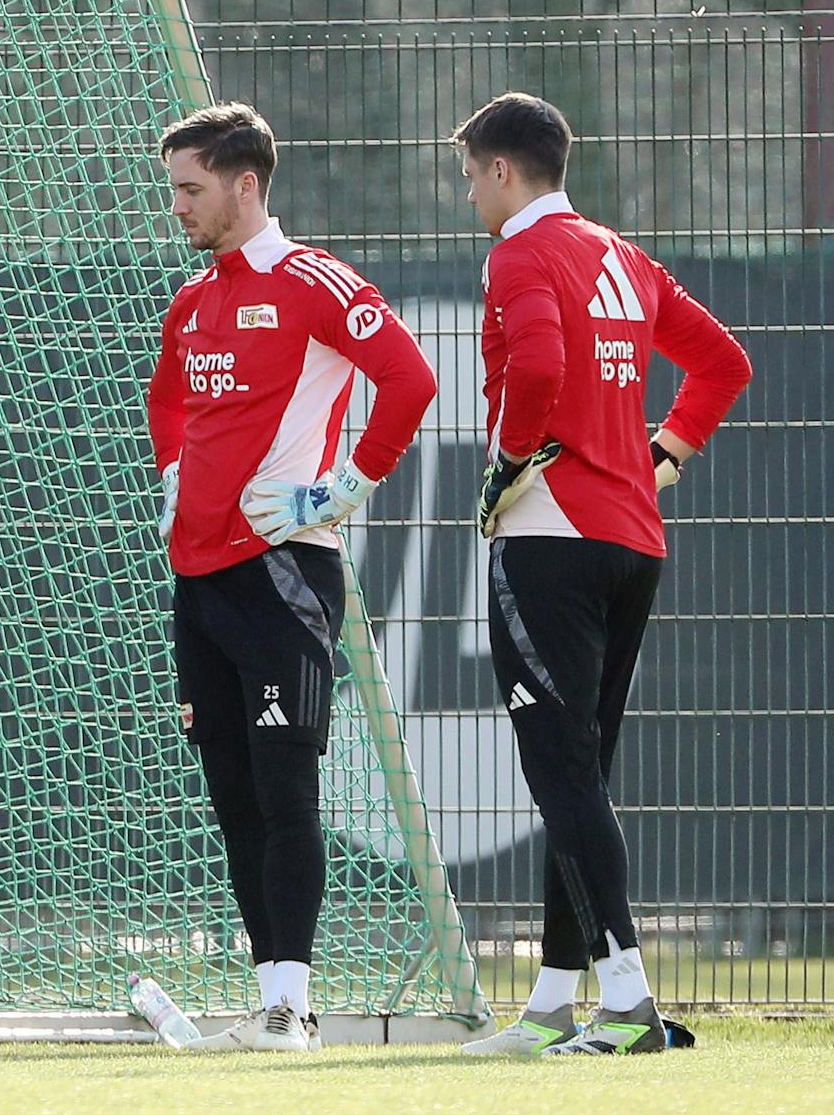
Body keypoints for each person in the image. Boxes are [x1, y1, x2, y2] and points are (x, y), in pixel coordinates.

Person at [451, 93, 751, 1057]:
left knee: (561, 771)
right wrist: (666, 452)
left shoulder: (521, 254)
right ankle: (549, 1006)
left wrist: (506, 466)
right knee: (576, 772)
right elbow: (724, 364)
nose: (469, 193)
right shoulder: (619, 252)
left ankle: (626, 1005)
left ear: (503, 169)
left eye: (470, 174)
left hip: (550, 535)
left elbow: (536, 365)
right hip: (632, 540)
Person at [147, 103, 437, 1052]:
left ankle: (294, 1004)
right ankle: (275, 1001)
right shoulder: (192, 303)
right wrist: (171, 477)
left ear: (245, 183)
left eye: (191, 188)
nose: (178, 205)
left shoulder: (314, 280)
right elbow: (168, 401)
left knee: (285, 793)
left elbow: (411, 379)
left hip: (284, 577)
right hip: (200, 583)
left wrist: (345, 484)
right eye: (174, 188)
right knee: (234, 796)